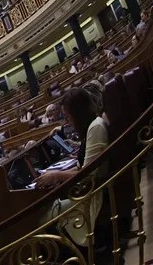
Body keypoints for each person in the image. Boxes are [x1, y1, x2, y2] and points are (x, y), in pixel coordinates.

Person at [36, 88, 109, 246]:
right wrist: (54, 174)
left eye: (68, 116)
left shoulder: (95, 128)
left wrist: (56, 176)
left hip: (94, 194)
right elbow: (82, 166)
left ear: (78, 113)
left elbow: (87, 173)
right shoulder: (92, 125)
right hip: (90, 189)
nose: (67, 122)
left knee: (43, 218)